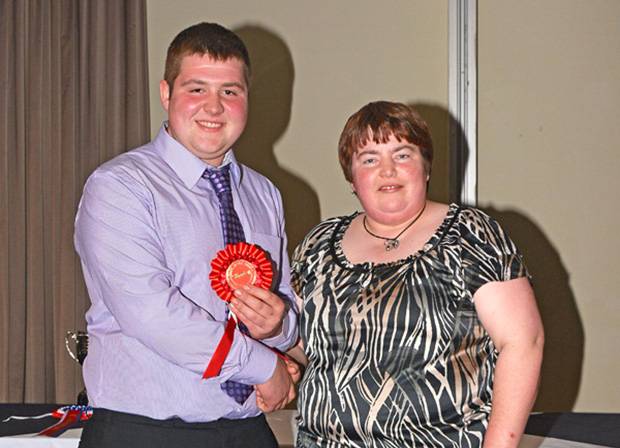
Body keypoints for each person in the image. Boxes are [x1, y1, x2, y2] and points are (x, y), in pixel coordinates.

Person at [74, 22, 298, 448]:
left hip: (247, 431)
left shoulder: (264, 193)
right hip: (143, 432)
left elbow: (286, 302)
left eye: (230, 91)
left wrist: (278, 325)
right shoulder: (120, 186)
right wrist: (262, 366)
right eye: (197, 89)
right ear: (166, 94)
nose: (214, 107)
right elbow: (153, 315)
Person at [287, 101, 544, 447]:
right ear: (351, 178)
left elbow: (523, 344)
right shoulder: (318, 244)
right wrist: (275, 352)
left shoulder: (470, 234)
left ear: (426, 167)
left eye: (403, 154)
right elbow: (307, 345)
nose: (387, 170)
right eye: (369, 159)